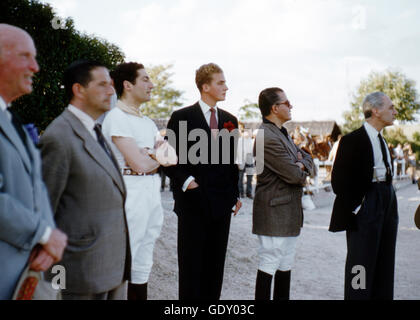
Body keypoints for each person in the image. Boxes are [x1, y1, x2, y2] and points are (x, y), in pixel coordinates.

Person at [39, 60, 131, 300]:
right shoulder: (59, 136)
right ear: (78, 90)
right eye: (102, 85)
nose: (111, 91)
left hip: (111, 267)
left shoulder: (94, 130)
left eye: (111, 85)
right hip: (80, 272)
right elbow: (45, 207)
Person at [163, 63, 242, 300]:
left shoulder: (231, 120)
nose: (226, 87)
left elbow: (231, 163)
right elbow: (169, 160)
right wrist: (188, 182)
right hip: (192, 205)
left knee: (215, 268)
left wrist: (235, 195)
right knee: (191, 268)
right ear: (205, 86)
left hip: (222, 205)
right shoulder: (181, 117)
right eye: (221, 83)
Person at [0, 24, 67, 300]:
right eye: (25, 56)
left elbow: (37, 185)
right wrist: (42, 232)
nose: (36, 67)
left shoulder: (10, 118)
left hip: (24, 275)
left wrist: (48, 240)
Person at [102, 62, 166, 300]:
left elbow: (172, 157)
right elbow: (139, 164)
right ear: (128, 85)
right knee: (123, 259)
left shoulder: (148, 122)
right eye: (146, 79)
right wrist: (154, 156)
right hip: (130, 191)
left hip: (150, 191)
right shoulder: (116, 118)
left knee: (143, 262)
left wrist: (148, 155)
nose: (152, 84)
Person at [329, 91, 399, 300]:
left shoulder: (383, 141)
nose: (395, 111)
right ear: (376, 111)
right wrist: (358, 208)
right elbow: (338, 181)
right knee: (360, 262)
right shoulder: (352, 140)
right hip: (366, 203)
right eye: (391, 107)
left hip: (387, 201)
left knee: (385, 261)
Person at [252, 87, 314, 300]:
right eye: (287, 103)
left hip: (286, 211)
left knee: (285, 264)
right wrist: (301, 165)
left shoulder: (281, 133)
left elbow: (308, 159)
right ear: (275, 108)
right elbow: (295, 174)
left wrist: (301, 163)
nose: (291, 106)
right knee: (269, 263)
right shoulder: (266, 136)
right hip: (274, 211)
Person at [237, 128, 254, 198]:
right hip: (241, 161)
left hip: (250, 161)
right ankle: (240, 192)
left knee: (250, 178)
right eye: (248, 132)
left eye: (250, 132)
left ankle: (249, 193)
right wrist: (237, 161)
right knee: (240, 178)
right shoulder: (239, 141)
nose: (249, 133)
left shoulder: (251, 141)